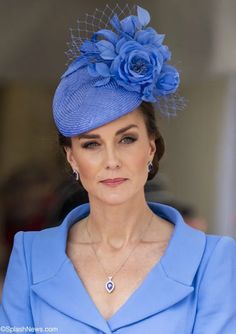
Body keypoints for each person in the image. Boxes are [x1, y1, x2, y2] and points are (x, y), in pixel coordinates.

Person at [0, 4, 236, 333]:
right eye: (91, 144)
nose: (111, 160)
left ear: (151, 147)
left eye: (126, 139)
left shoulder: (212, 260)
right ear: (71, 158)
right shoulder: (29, 256)